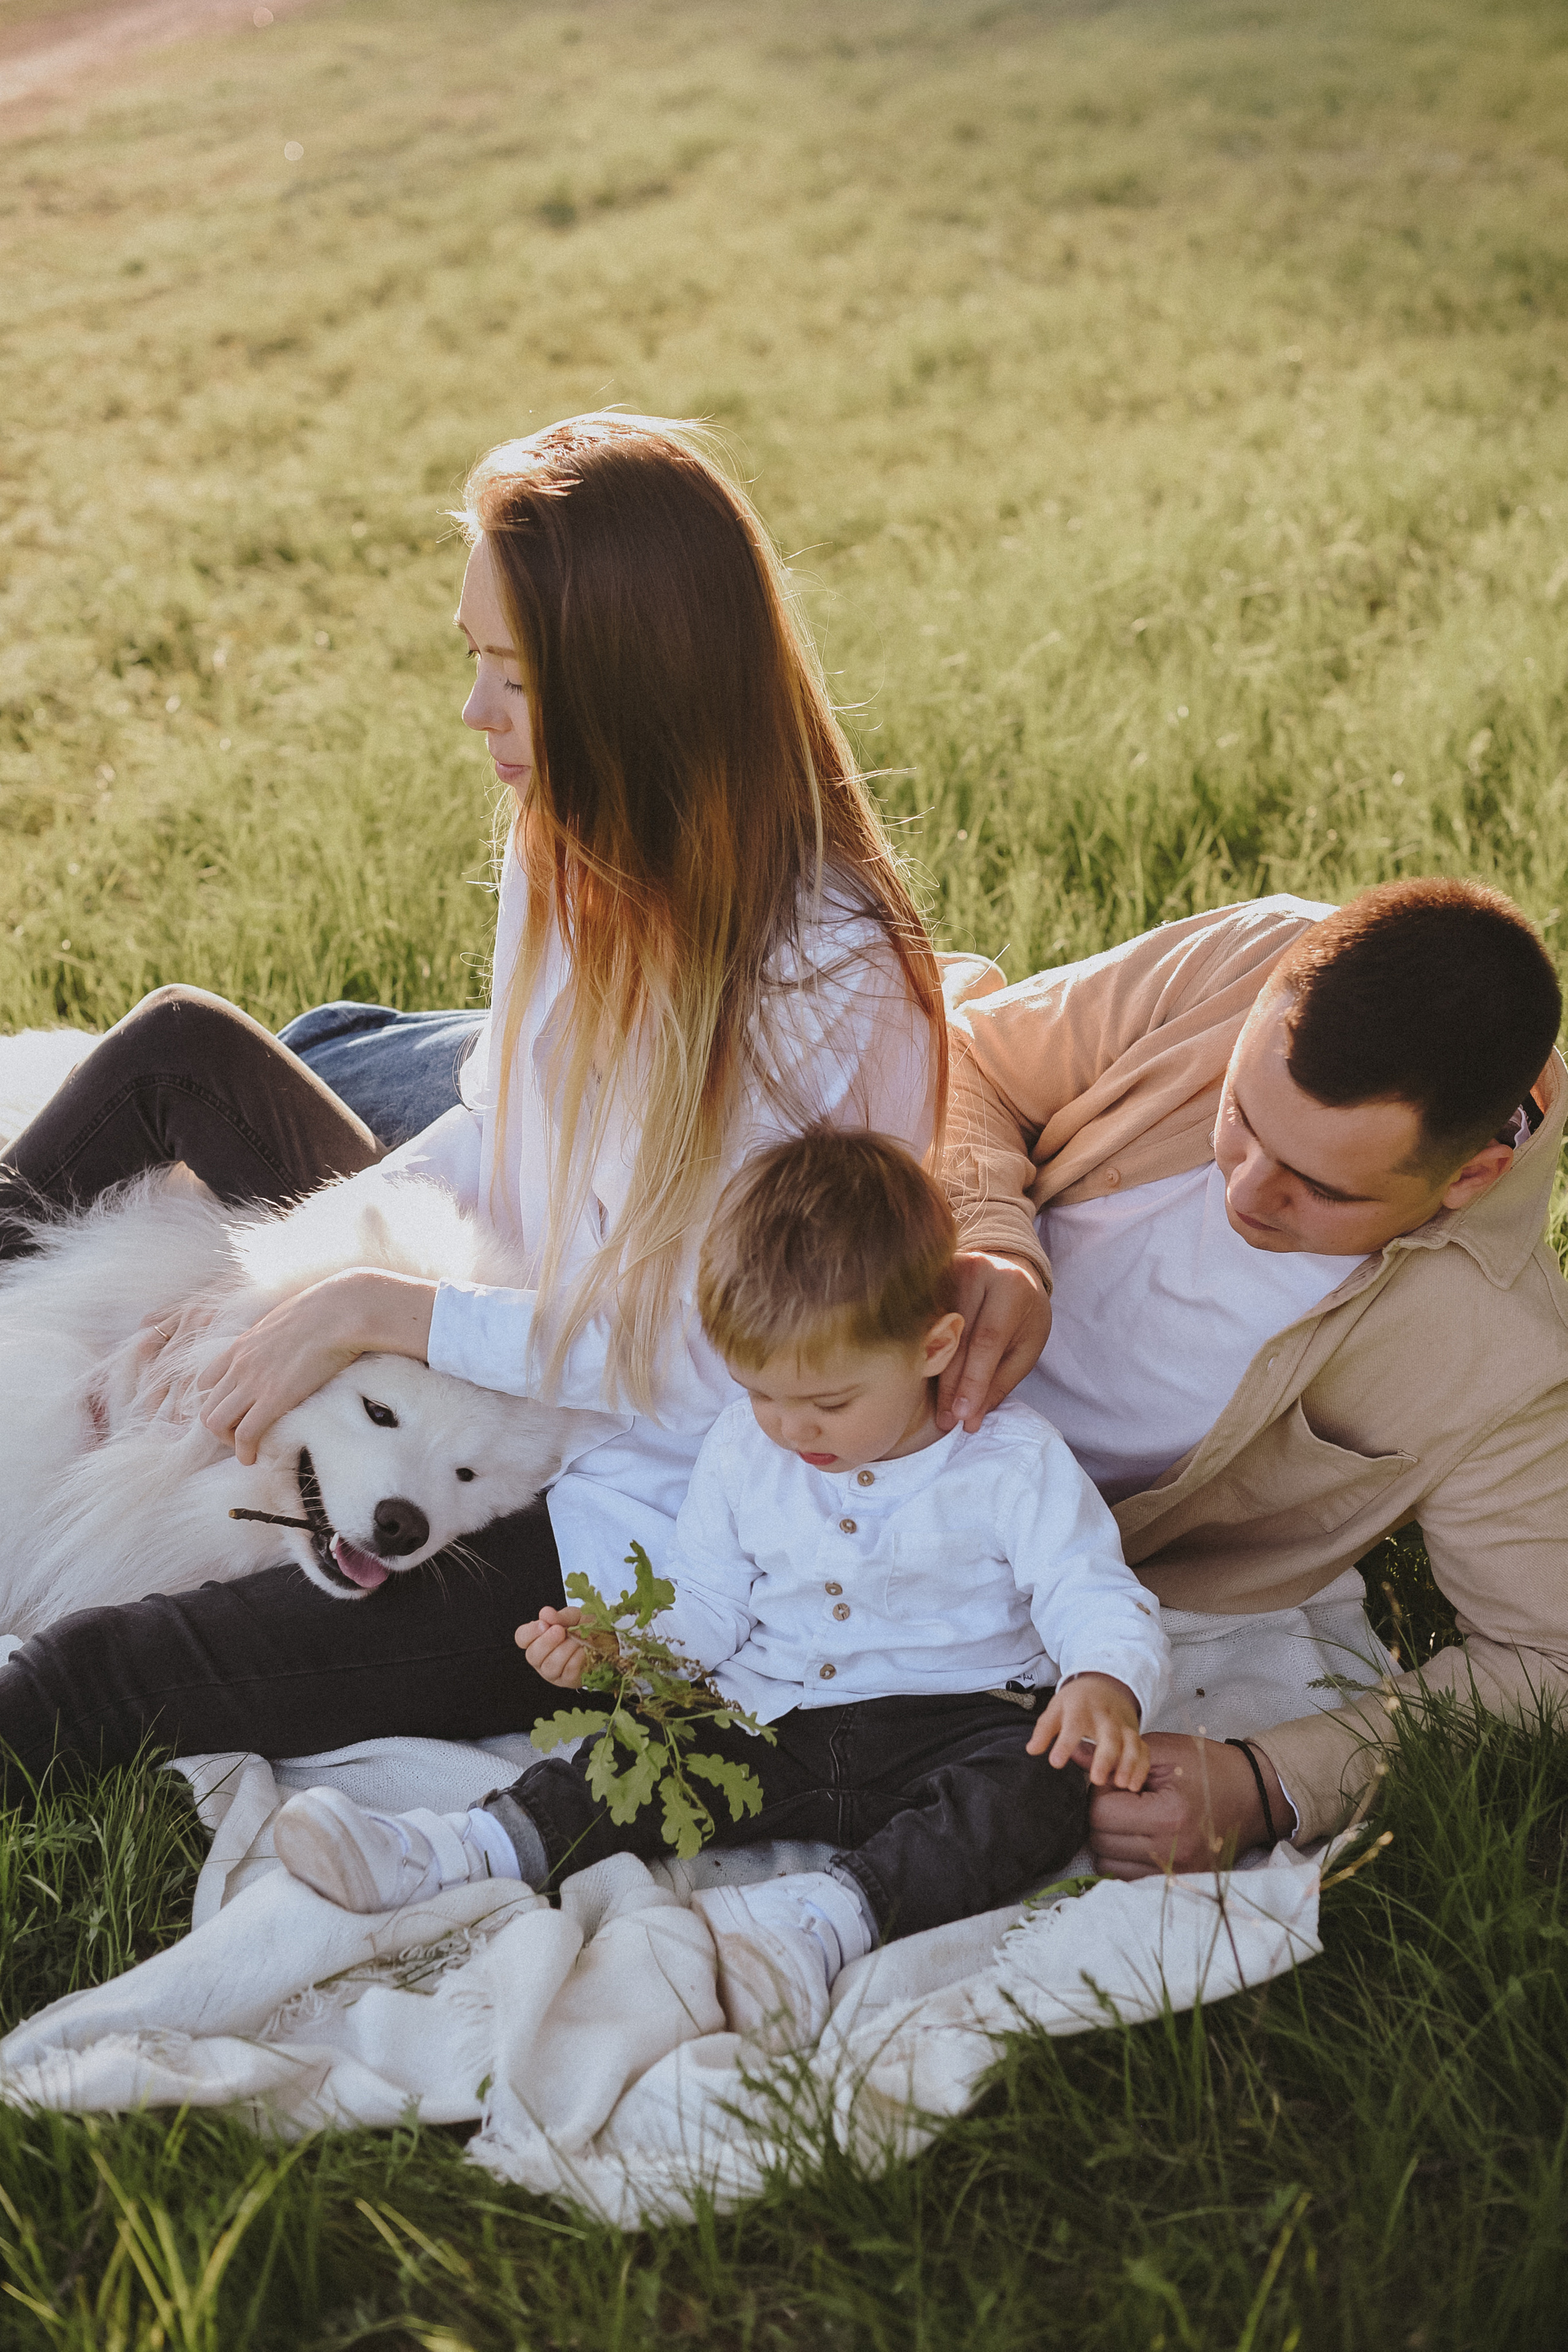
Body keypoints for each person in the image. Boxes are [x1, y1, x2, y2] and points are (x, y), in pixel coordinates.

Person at [0, 412, 947, 1793]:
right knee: (182, 1058)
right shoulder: (565, 849)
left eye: (515, 676)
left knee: (121, 1673)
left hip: (631, 1494)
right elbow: (502, 1137)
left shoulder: (814, 976)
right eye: (475, 662)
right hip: (500, 1318)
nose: (474, 713)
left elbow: (709, 1361)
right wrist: (285, 1276)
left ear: (634, 692)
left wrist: (375, 1313)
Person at [271, 1129, 1169, 1998]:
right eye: (761, 1393)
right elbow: (708, 1602)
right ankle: (462, 1848)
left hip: (955, 1720)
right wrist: (625, 1649)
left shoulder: (1012, 1463)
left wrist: (1102, 1681)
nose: (789, 1428)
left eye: (826, 1401)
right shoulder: (748, 1447)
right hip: (772, 1715)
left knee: (1037, 1791)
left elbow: (1088, 1589)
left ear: (933, 1349)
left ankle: (829, 1918)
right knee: (633, 1759)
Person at [928, 878, 1566, 1874]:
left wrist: (1268, 1783)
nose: (1246, 1190)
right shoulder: (1256, 951)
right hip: (885, 1337)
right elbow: (971, 1056)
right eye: (1239, 1114)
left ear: (1471, 1176)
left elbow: (1547, 1663)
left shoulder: (1504, 1355)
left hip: (1031, 1556)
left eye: (1319, 1188)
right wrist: (991, 1235)